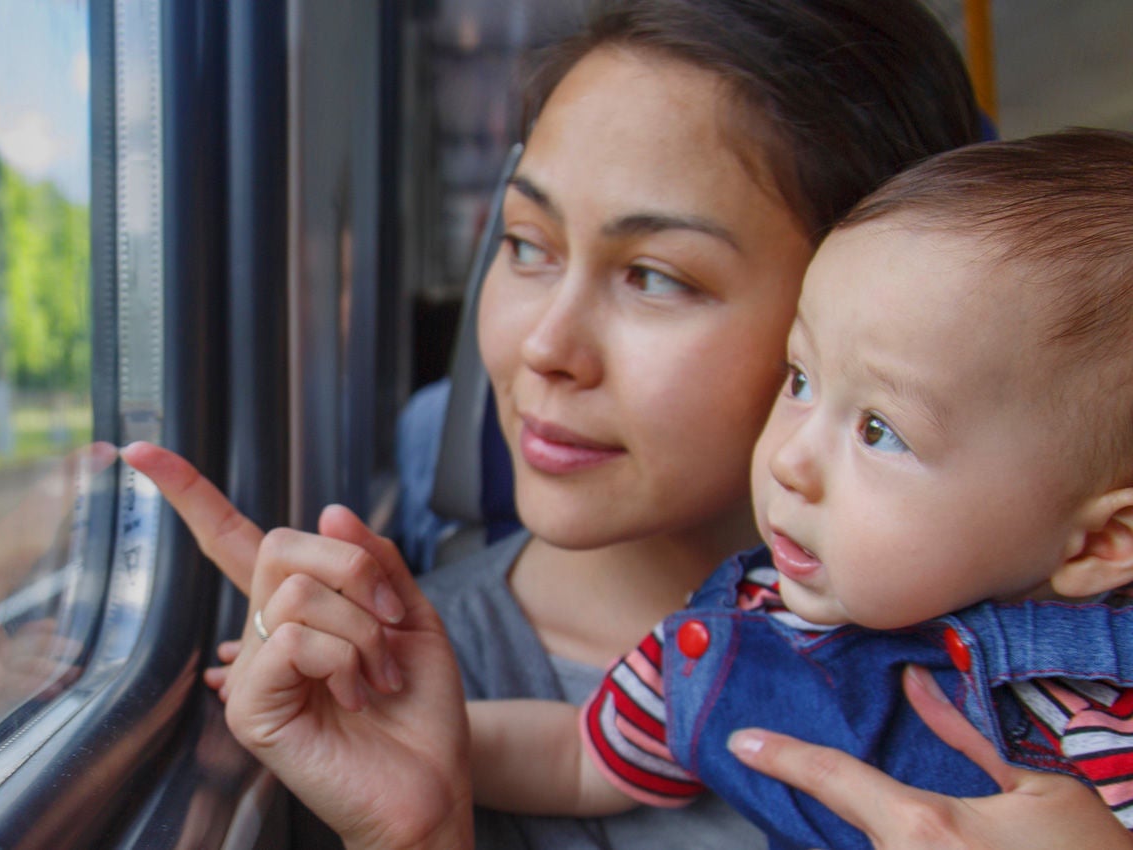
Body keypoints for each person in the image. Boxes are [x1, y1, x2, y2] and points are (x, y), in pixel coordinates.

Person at [122, 0, 1133, 847]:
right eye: (524, 245)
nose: (544, 347)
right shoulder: (397, 691)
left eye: (656, 276)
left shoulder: (1073, 676)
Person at [457, 129, 1133, 850]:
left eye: (880, 431)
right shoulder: (745, 635)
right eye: (801, 380)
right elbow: (582, 755)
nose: (788, 459)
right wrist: (435, 737)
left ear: (1100, 542)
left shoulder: (1102, 723)